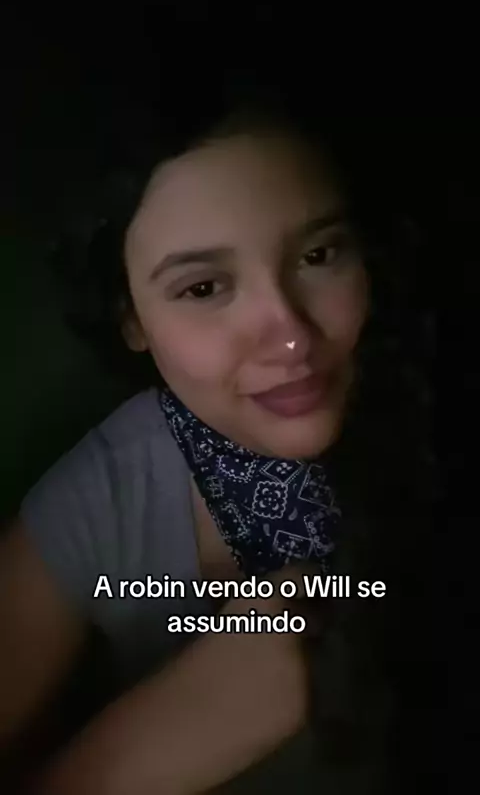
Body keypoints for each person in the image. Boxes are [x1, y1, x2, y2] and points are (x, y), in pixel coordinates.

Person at [0, 84, 433, 794]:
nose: (291, 336)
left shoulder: (440, 413)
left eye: (319, 254)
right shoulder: (106, 495)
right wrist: (155, 739)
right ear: (132, 320)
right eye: (204, 289)